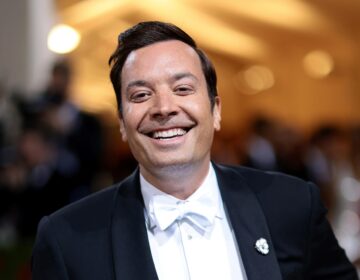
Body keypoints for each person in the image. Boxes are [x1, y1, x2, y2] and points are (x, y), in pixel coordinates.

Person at [31, 21, 358, 280]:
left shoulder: (292, 205)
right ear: (121, 123)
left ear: (216, 110)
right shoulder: (67, 239)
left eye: (182, 89)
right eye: (141, 95)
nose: (164, 108)